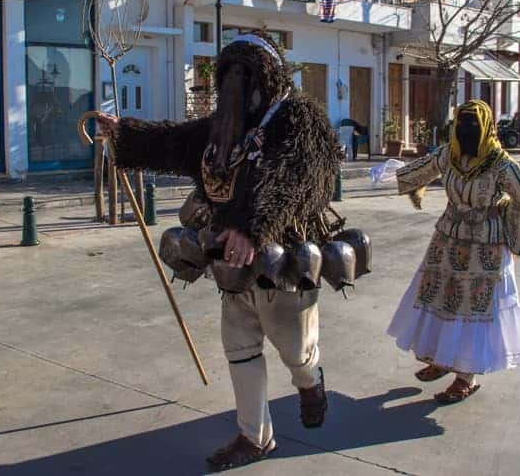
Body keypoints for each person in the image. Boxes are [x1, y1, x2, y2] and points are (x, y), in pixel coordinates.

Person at [94, 33, 342, 469]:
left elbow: (297, 177)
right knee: (240, 347)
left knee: (295, 352)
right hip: (231, 261)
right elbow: (175, 142)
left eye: (243, 78)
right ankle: (256, 438)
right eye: (228, 76)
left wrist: (253, 229)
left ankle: (311, 382)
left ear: (267, 78)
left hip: (284, 260)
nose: (235, 87)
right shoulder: (225, 127)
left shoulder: (300, 118)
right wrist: (126, 134)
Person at [388, 100, 520, 404]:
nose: (467, 129)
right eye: (462, 122)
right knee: (441, 300)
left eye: (473, 123)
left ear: (486, 126)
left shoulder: (500, 163)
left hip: (484, 249)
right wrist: (388, 175)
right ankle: (442, 359)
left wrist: (514, 242)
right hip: (447, 241)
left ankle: (465, 377)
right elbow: (422, 169)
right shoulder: (452, 155)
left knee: (472, 310)